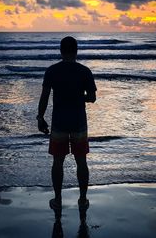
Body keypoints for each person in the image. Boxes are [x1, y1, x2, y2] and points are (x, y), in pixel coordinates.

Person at [37, 36, 97, 211]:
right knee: (81, 162)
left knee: (58, 162)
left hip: (59, 122)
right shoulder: (85, 71)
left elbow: (44, 97)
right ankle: (83, 199)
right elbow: (92, 98)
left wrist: (40, 117)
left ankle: (57, 200)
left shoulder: (52, 71)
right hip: (78, 121)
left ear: (61, 51)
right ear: (76, 51)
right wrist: (79, 97)